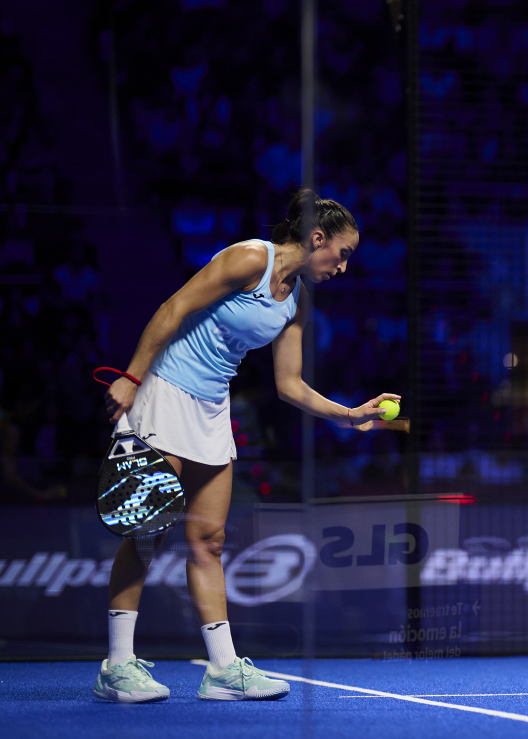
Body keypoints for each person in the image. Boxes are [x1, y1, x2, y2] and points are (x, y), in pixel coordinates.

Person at [94, 189, 399, 703]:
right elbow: (174, 308)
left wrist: (350, 415)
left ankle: (223, 670)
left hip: (213, 409)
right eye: (342, 254)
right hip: (166, 390)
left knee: (209, 540)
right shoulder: (250, 258)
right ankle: (117, 667)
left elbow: (290, 384)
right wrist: (130, 376)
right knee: (147, 534)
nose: (343, 268)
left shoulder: (297, 299)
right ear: (317, 238)